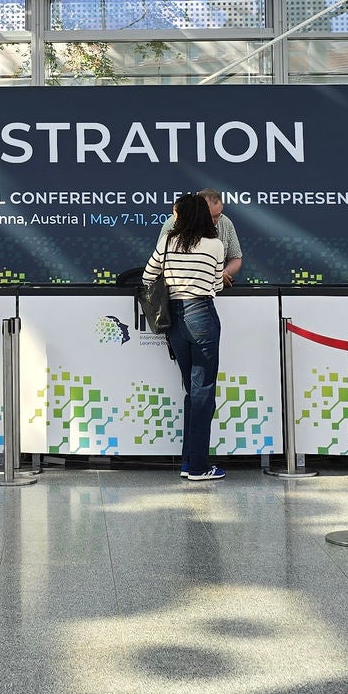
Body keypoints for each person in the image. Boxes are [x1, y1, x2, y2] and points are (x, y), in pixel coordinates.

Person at [143, 192, 225, 483]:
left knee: (192, 390)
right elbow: (217, 284)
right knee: (203, 391)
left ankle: (189, 461)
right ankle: (198, 466)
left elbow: (148, 276)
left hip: (175, 320)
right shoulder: (215, 245)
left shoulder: (168, 241)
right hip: (202, 314)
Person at [162, 188, 242, 285]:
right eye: (209, 216)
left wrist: (225, 273)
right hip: (180, 287)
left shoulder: (226, 223)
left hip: (214, 289)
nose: (213, 221)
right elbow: (161, 260)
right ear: (198, 210)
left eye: (217, 216)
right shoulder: (174, 222)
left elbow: (235, 257)